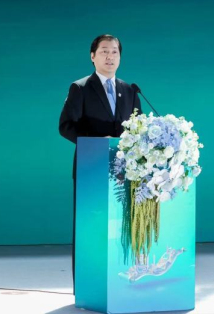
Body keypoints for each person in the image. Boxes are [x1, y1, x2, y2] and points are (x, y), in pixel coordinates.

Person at [59, 34, 142, 294]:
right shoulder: (81, 88)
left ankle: (121, 286)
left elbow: (139, 128)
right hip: (91, 169)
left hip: (125, 174)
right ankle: (88, 288)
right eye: (104, 51)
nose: (110, 56)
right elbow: (66, 126)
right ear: (92, 56)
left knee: (122, 228)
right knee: (91, 230)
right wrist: (96, 142)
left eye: (115, 51)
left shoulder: (130, 90)